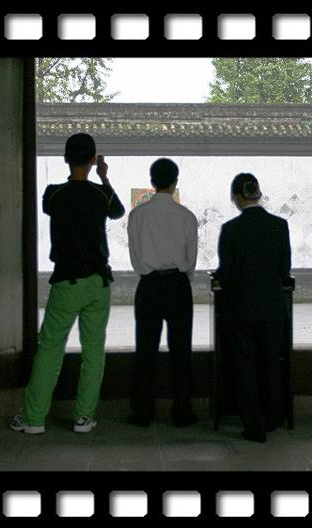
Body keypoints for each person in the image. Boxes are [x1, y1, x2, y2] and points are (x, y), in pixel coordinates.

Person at [10, 133, 125, 434]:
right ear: (93, 160)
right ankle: (84, 417)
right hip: (98, 283)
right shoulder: (101, 195)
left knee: (49, 349)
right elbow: (118, 211)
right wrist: (103, 176)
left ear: (65, 159)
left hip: (66, 283)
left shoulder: (53, 195)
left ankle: (34, 419)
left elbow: (50, 208)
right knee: (93, 351)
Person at [215, 173, 291, 443]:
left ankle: (254, 426)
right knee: (270, 364)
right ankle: (273, 419)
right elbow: (284, 269)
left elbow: (225, 272)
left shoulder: (230, 229)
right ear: (258, 194)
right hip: (272, 307)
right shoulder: (279, 225)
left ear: (236, 197)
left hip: (240, 309)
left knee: (244, 367)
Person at [126, 158, 199, 427]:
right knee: (181, 350)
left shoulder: (137, 215)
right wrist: (182, 277)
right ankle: (182, 412)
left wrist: (147, 272)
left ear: (152, 182)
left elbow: (135, 257)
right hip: (178, 286)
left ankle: (143, 412)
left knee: (145, 350)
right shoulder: (187, 217)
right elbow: (191, 260)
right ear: (174, 182)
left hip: (149, 286)